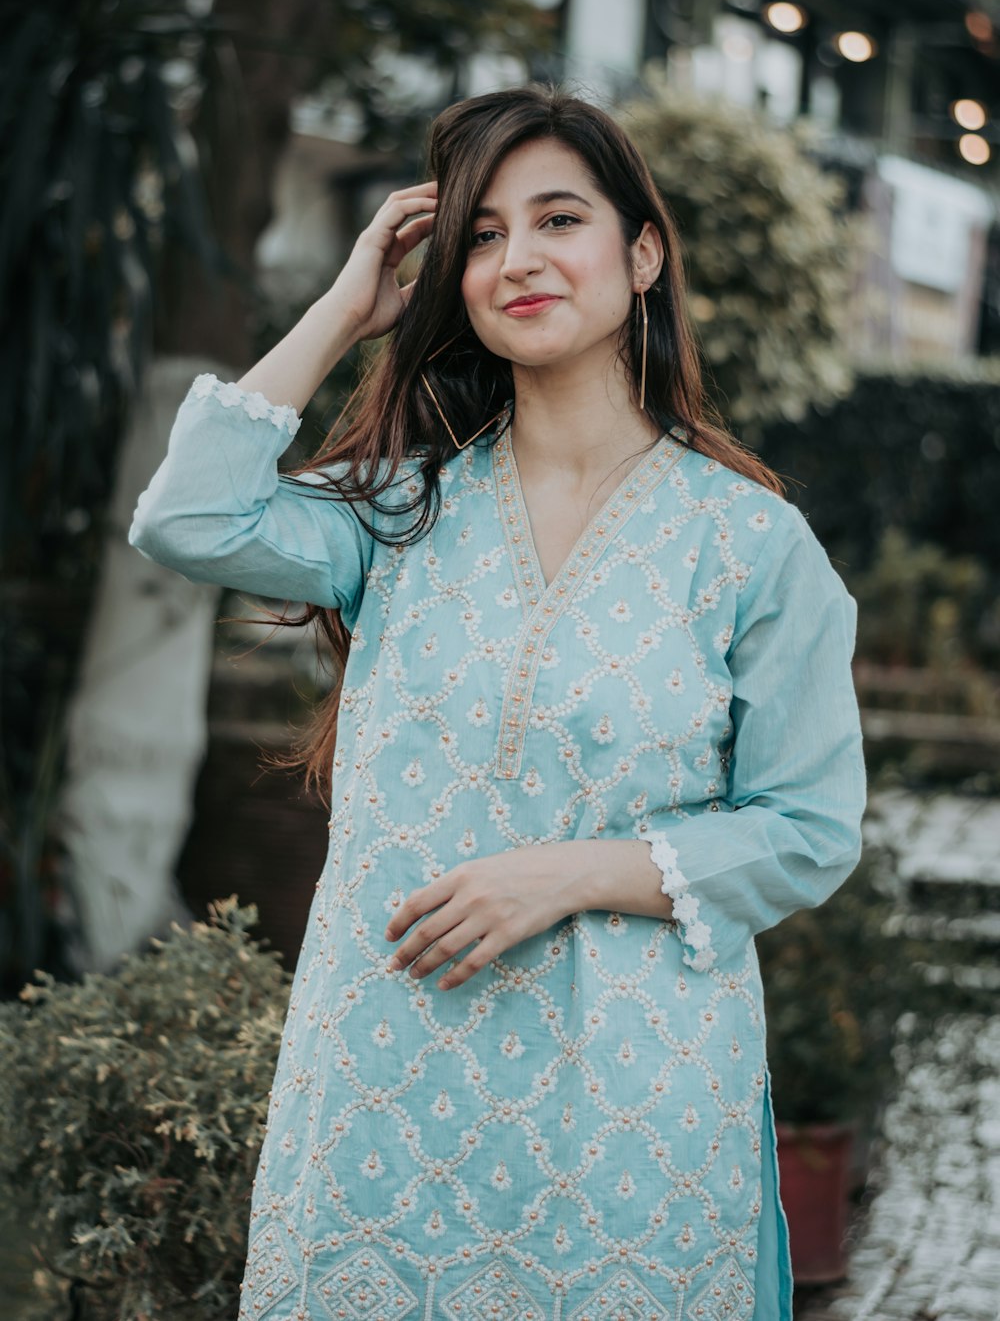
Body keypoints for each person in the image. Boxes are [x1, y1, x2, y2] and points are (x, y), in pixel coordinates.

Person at [129, 83, 867, 1321]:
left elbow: (804, 830)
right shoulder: (398, 512)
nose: (514, 258)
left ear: (641, 255)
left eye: (557, 219)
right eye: (480, 234)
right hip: (384, 1088)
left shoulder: (749, 546)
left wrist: (569, 872)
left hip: (628, 1095)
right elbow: (189, 519)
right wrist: (345, 308)